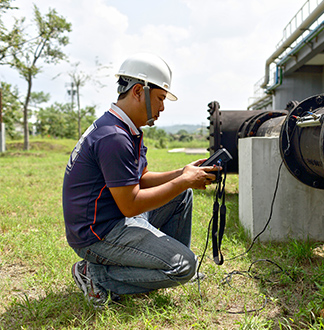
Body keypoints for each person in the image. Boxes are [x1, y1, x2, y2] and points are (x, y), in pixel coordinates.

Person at [62, 52, 218, 307]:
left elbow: (140, 179)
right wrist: (183, 180)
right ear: (138, 91)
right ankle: (94, 273)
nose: (162, 107)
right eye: (159, 98)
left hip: (111, 219)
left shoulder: (125, 128)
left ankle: (163, 267)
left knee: (182, 194)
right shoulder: (114, 137)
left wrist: (182, 173)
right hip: (97, 235)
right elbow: (131, 205)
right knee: (184, 265)